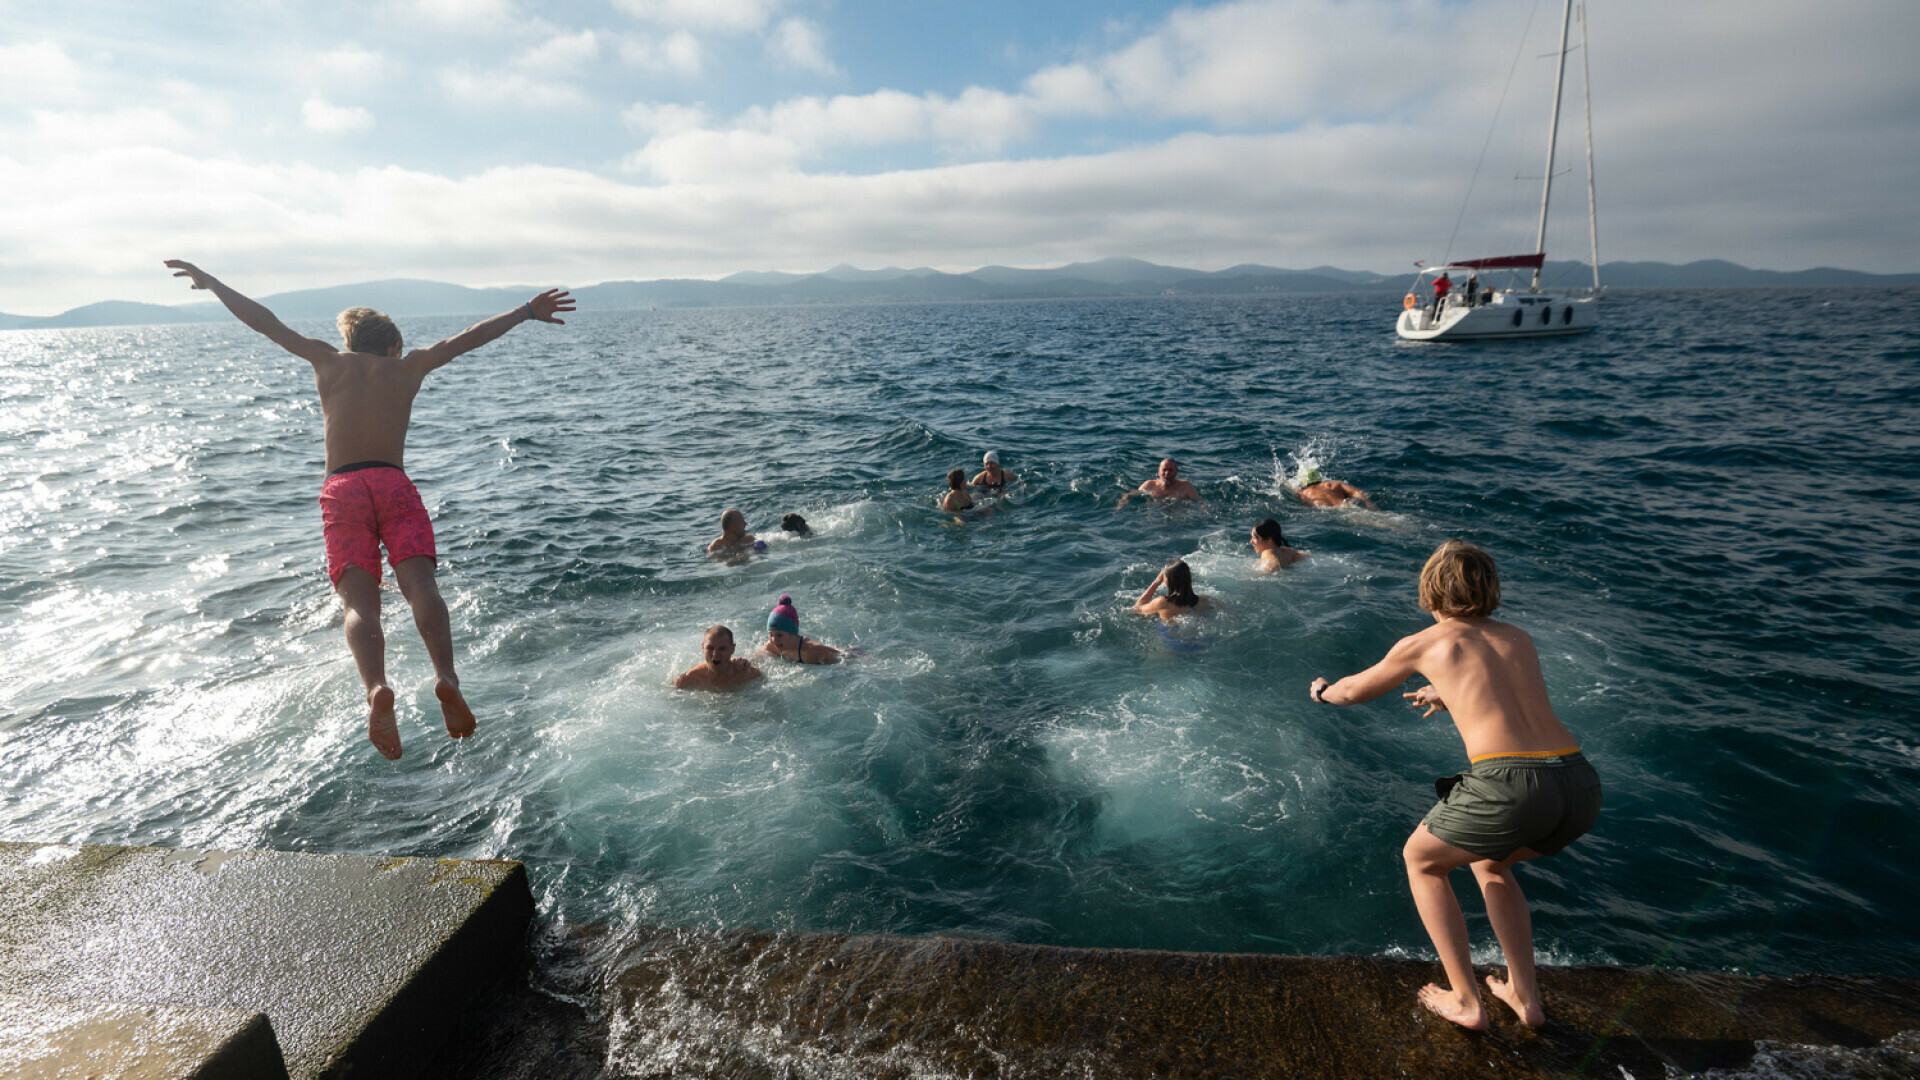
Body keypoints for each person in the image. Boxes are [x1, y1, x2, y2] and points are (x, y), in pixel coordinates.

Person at [164, 260, 572, 760]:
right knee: (421, 586)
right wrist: (528, 310)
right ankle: (444, 676)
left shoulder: (327, 361)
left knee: (358, 603)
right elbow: (468, 338)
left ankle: (376, 688)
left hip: (343, 489)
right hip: (392, 482)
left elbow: (264, 320)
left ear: (352, 343)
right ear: (392, 346)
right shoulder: (408, 367)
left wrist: (214, 284)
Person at [1306, 541, 1600, 1031]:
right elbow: (1505, 695)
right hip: (1577, 780)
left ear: (1431, 588)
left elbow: (1354, 690)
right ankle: (1525, 998)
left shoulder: (1424, 643)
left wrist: (1321, 693)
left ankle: (1466, 1000)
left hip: (1512, 785)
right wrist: (1444, 693)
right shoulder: (1518, 638)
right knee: (1492, 864)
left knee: (1420, 861)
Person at [673, 625, 762, 691]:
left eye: (722, 649)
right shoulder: (692, 677)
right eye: (710, 648)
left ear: (732, 649)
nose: (715, 654)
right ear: (703, 648)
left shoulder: (746, 673)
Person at [762, 594, 842, 664]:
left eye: (779, 635)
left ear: (792, 633)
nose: (774, 639)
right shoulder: (771, 647)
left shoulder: (810, 651)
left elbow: (843, 657)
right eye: (770, 634)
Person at [1133, 558, 1212, 621]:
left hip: (1174, 641)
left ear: (1166, 579)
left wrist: (1156, 582)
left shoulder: (1161, 603)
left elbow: (1137, 608)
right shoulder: (1205, 600)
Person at [1119, 458, 1202, 506]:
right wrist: (1123, 502)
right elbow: (1131, 494)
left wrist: (1204, 509)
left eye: (1170, 470)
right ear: (1158, 471)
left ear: (1176, 472)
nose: (1167, 473)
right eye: (1164, 470)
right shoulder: (1149, 485)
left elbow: (1200, 501)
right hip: (1155, 514)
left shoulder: (1186, 486)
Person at [1294, 468, 1376, 510]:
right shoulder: (1333, 484)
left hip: (1332, 511)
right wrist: (1369, 503)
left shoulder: (1302, 492)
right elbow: (1359, 492)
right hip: (1348, 506)